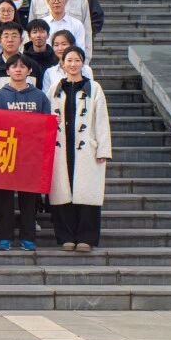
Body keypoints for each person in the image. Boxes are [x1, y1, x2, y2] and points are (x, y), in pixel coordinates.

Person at [48, 46, 112, 252]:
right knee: (62, 191)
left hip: (86, 148)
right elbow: (47, 117)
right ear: (63, 63)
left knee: (87, 192)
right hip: (61, 146)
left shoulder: (93, 87)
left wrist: (103, 149)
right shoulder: (56, 87)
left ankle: (86, 237)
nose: (73, 64)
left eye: (77, 60)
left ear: (83, 63)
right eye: (69, 60)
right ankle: (66, 236)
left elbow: (101, 119)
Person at [0, 53, 50, 251]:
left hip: (30, 156)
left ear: (29, 71)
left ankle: (28, 237)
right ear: (7, 71)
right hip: (6, 153)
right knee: (5, 199)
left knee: (29, 200)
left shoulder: (39, 96)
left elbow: (47, 125)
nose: (18, 69)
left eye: (22, 66)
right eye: (14, 66)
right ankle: (5, 238)